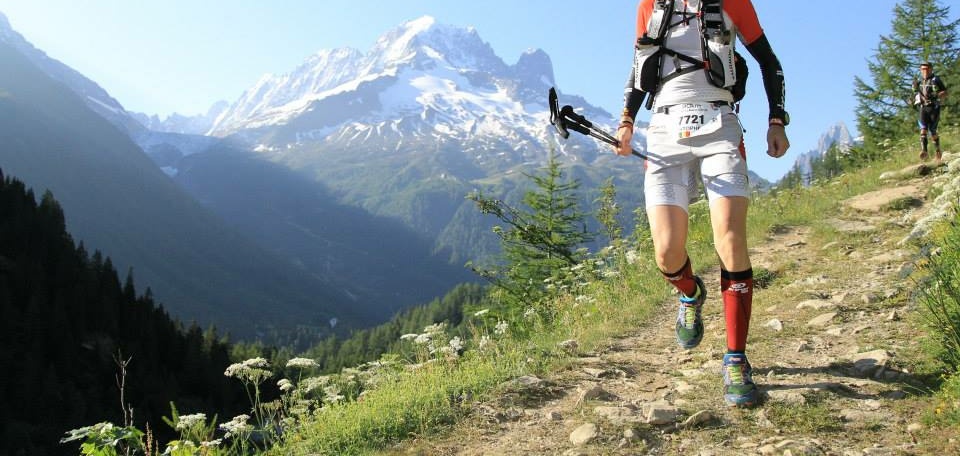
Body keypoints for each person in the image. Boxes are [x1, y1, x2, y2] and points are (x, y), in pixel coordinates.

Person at [615, 0, 789, 407]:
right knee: (666, 252)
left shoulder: (734, 3)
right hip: (663, 130)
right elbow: (637, 66)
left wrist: (776, 120)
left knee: (729, 240)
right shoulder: (650, 6)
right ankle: (691, 294)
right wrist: (626, 120)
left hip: (719, 126)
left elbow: (769, 62)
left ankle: (736, 359)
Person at [912, 62, 948, 163]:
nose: (925, 71)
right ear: (920, 70)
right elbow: (914, 95)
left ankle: (937, 150)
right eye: (923, 69)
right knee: (923, 129)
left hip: (934, 108)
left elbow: (945, 92)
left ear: (931, 69)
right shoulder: (918, 82)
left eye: (927, 69)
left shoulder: (935, 80)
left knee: (932, 131)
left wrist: (936, 95)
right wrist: (912, 100)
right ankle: (924, 151)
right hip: (923, 108)